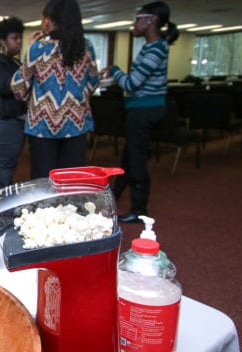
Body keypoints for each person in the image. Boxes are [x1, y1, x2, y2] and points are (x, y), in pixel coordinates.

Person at [99, 1, 179, 223]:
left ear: (151, 20)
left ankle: (139, 209)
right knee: (128, 157)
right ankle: (114, 196)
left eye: (137, 18)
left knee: (136, 161)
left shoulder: (156, 47)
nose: (134, 24)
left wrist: (115, 70)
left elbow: (132, 84)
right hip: (141, 109)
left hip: (145, 110)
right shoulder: (152, 46)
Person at [11, 0, 99, 180]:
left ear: (50, 20)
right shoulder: (86, 47)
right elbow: (93, 83)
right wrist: (73, 99)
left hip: (42, 127)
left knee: (44, 183)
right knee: (71, 181)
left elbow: (19, 89)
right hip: (75, 125)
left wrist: (29, 52)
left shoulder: (38, 49)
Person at [0, 17, 27, 190]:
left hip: (14, 120)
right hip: (4, 120)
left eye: (20, 38)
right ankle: (0, 205)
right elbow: (5, 86)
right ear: (3, 41)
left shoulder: (14, 61)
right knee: (5, 165)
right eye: (14, 38)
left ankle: (3, 201)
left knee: (10, 163)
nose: (19, 42)